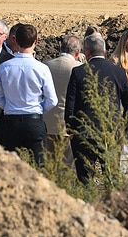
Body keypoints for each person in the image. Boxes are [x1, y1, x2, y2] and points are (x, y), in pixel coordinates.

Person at [65, 33, 128, 185]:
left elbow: (70, 104)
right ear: (105, 50)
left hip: (84, 133)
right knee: (111, 177)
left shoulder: (78, 72)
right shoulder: (119, 72)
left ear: (87, 52)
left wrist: (71, 129)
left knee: (85, 180)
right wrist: (124, 128)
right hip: (111, 132)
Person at [0, 24, 57, 165]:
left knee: (10, 167)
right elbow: (52, 100)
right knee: (39, 166)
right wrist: (37, 109)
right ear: (36, 41)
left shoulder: (5, 67)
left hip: (11, 121)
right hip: (34, 120)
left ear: (14, 40)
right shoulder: (42, 68)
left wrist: (10, 106)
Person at [43, 34, 82, 162]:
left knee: (48, 165)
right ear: (78, 52)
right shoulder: (79, 68)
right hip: (67, 125)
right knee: (67, 167)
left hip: (46, 122)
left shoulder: (45, 65)